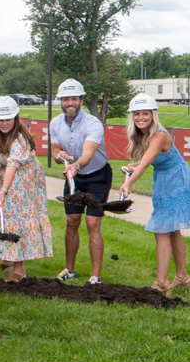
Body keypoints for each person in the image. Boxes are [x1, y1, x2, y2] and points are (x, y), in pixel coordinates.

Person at [0, 96, 53, 282]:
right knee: (4, 215)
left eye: (7, 119)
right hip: (4, 176)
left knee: (18, 218)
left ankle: (19, 269)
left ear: (15, 118)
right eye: (0, 119)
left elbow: (13, 165)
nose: (3, 123)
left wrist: (3, 191)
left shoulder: (20, 139)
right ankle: (8, 258)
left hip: (25, 180)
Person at [120, 93, 190, 295]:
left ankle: (161, 283)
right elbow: (147, 161)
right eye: (137, 114)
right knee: (172, 230)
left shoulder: (159, 136)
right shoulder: (144, 135)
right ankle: (183, 276)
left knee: (162, 230)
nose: (140, 117)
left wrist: (129, 184)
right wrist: (134, 167)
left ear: (153, 115)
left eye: (145, 113)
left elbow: (145, 163)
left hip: (177, 182)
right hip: (164, 181)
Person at [50, 79, 111, 285]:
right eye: (66, 99)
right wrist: (60, 157)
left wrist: (76, 165)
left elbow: (88, 153)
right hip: (73, 175)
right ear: (61, 101)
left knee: (92, 223)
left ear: (81, 100)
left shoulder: (93, 123)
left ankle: (96, 276)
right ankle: (69, 269)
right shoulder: (55, 123)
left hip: (97, 176)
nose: (70, 103)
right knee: (71, 221)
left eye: (74, 98)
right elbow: (55, 150)